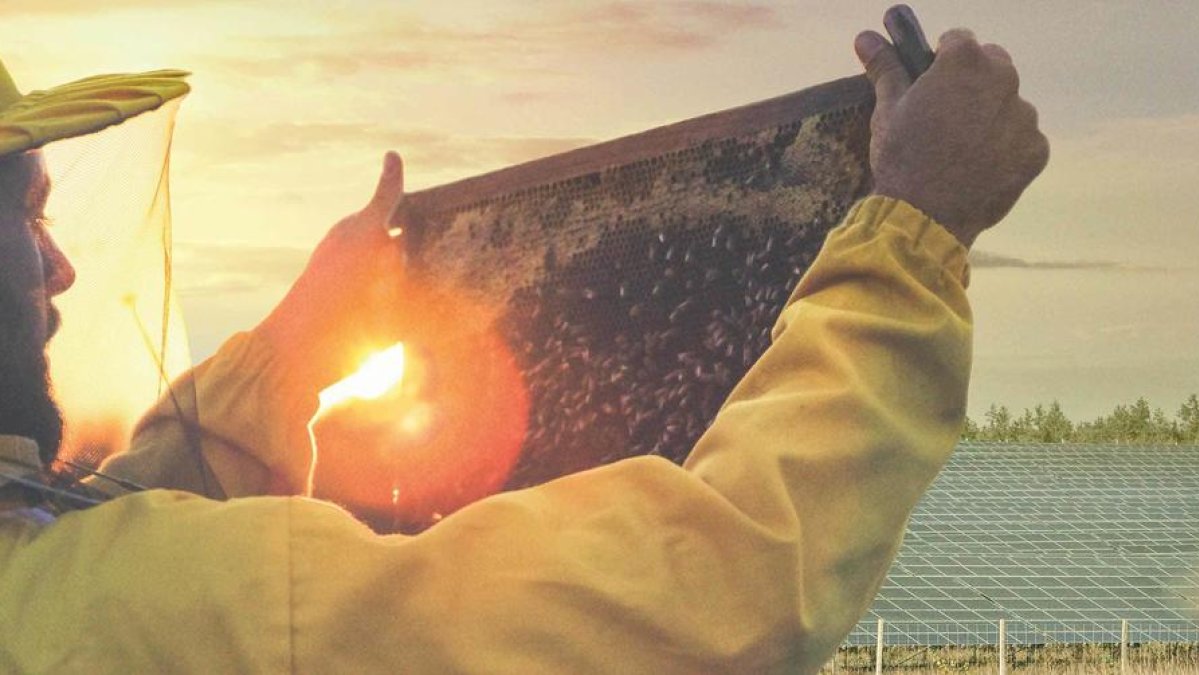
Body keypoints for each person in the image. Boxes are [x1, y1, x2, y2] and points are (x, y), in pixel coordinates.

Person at [0, 13, 1048, 674]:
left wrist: (291, 348)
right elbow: (712, 595)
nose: (63, 268)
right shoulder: (155, 600)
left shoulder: (61, 586)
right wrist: (911, 232)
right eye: (28, 219)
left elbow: (100, 520)